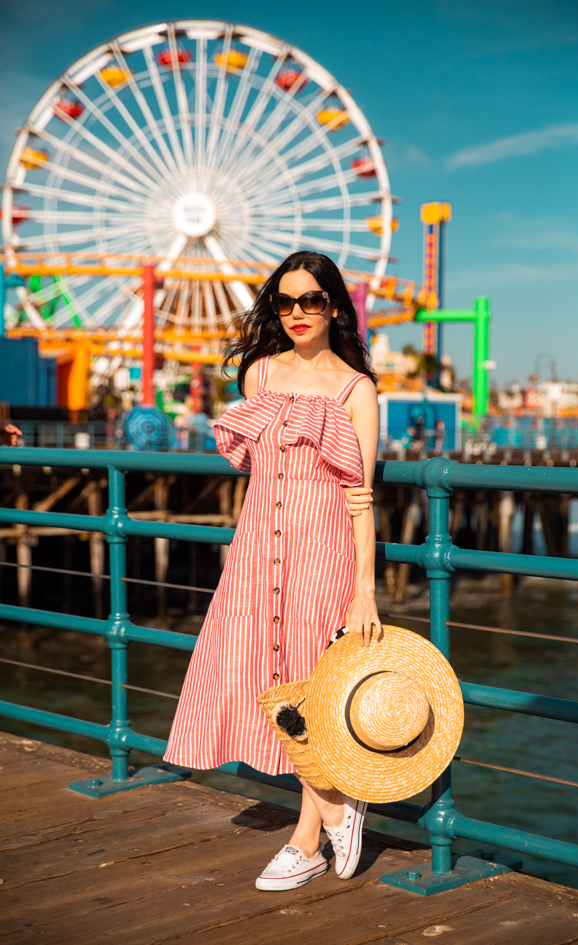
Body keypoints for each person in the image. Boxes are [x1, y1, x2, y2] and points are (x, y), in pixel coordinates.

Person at [164, 250, 379, 890]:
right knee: (266, 686)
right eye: (285, 302)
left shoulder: (355, 391)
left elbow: (362, 498)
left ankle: (310, 835)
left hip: (325, 556)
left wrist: (363, 592)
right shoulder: (259, 376)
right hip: (258, 554)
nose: (296, 314)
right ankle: (335, 810)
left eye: (311, 300)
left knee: (309, 695)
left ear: (334, 306)